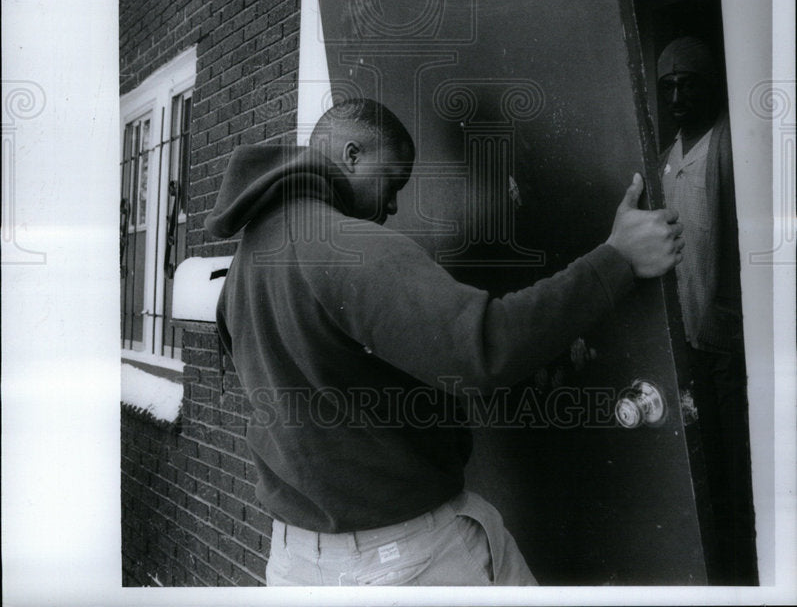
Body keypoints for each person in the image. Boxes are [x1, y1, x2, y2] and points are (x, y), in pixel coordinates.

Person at [207, 98, 683, 586]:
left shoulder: (247, 263)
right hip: (403, 559)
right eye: (391, 183)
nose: (391, 207)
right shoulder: (349, 247)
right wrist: (617, 259)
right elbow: (487, 350)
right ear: (351, 155)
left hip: (296, 562)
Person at [657, 36, 757, 584]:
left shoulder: (730, 146)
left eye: (687, 83)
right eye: (667, 85)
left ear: (710, 83)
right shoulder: (668, 158)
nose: (676, 96)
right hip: (692, 335)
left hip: (731, 338)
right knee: (710, 461)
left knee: (742, 464)